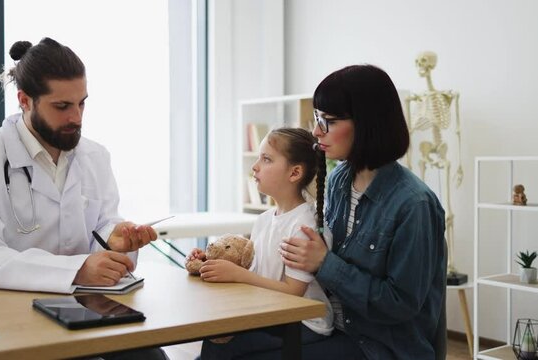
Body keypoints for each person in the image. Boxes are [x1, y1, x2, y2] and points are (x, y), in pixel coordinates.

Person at [0, 37, 168, 359]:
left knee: (149, 357)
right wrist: (77, 270)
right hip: (4, 313)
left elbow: (104, 223)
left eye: (82, 103)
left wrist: (114, 239)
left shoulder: (95, 155)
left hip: (83, 308)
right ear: (25, 100)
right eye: (62, 107)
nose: (76, 117)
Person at [280, 65, 447, 359]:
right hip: (335, 330)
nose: (317, 131)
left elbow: (399, 303)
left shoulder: (414, 204)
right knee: (228, 344)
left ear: (369, 124)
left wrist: (325, 263)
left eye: (328, 121)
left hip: (379, 348)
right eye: (318, 118)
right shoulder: (338, 180)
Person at [189, 128, 334, 359]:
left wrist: (237, 274)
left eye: (266, 159)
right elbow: (254, 270)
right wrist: (209, 263)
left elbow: (293, 292)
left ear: (295, 172)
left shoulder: (303, 226)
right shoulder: (264, 220)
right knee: (216, 338)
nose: (255, 166)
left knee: (222, 346)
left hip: (304, 323)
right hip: (271, 314)